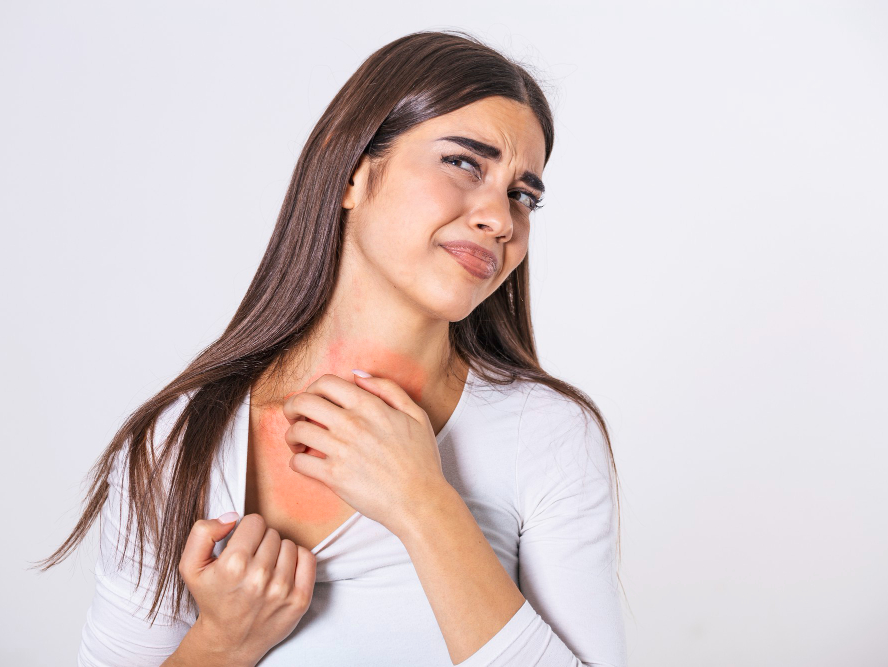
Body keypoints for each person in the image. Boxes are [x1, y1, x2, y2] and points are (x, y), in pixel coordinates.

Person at [34, 29, 627, 667]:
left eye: (523, 195)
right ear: (350, 173)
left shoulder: (547, 435)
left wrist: (424, 505)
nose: (501, 219)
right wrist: (222, 644)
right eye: (463, 163)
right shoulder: (176, 445)